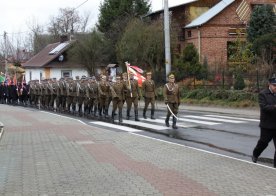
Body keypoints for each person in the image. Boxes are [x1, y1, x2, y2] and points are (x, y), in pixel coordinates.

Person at [252, 75, 276, 168]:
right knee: (263, 143)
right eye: (274, 85)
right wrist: (274, 106)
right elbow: (264, 107)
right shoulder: (263, 94)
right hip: (267, 125)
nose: (275, 87)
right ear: (269, 85)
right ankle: (255, 154)